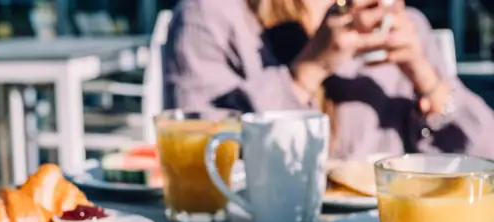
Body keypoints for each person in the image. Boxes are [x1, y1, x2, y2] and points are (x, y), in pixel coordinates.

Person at [164, 0, 494, 159]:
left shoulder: (405, 27)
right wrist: (307, 70)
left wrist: (427, 80)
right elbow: (196, 157)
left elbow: (483, 158)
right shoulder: (209, 16)